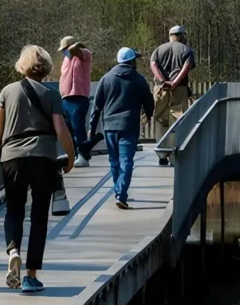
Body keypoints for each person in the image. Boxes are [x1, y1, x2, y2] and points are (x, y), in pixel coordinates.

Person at [0, 46, 75, 294]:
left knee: (14, 210)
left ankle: (13, 250)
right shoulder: (51, 95)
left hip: (12, 158)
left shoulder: (7, 91)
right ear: (46, 68)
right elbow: (61, 130)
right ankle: (31, 276)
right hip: (43, 157)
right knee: (38, 216)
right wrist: (71, 155)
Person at [90, 47, 154, 209]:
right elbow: (149, 101)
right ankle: (121, 194)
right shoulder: (139, 80)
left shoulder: (106, 79)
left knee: (114, 161)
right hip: (129, 126)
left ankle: (119, 191)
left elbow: (97, 106)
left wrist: (92, 127)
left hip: (110, 126)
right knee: (126, 161)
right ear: (131, 61)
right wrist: (148, 115)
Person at [150, 25, 195, 164]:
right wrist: (174, 83)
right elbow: (186, 67)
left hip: (160, 89)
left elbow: (153, 65)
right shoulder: (186, 50)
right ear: (181, 35)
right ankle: (174, 156)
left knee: (160, 120)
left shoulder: (158, 50)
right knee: (177, 121)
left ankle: (162, 155)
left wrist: (164, 81)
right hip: (179, 89)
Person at [58, 36, 92, 168]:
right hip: (66, 98)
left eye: (65, 48)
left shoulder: (84, 54)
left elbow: (74, 49)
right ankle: (73, 155)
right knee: (68, 130)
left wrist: (74, 45)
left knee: (79, 128)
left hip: (78, 97)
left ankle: (83, 156)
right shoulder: (66, 59)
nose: (64, 52)